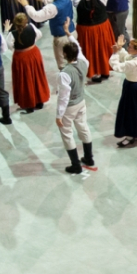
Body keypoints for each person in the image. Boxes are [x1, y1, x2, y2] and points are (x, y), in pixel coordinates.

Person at [56, 41, 96, 175]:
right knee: (83, 127)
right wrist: (70, 35)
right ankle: (89, 158)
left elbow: (63, 97)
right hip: (81, 101)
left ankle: (75, 165)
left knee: (67, 133)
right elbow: (79, 48)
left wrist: (59, 115)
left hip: (70, 106)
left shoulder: (64, 73)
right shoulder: (84, 63)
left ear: (64, 54)